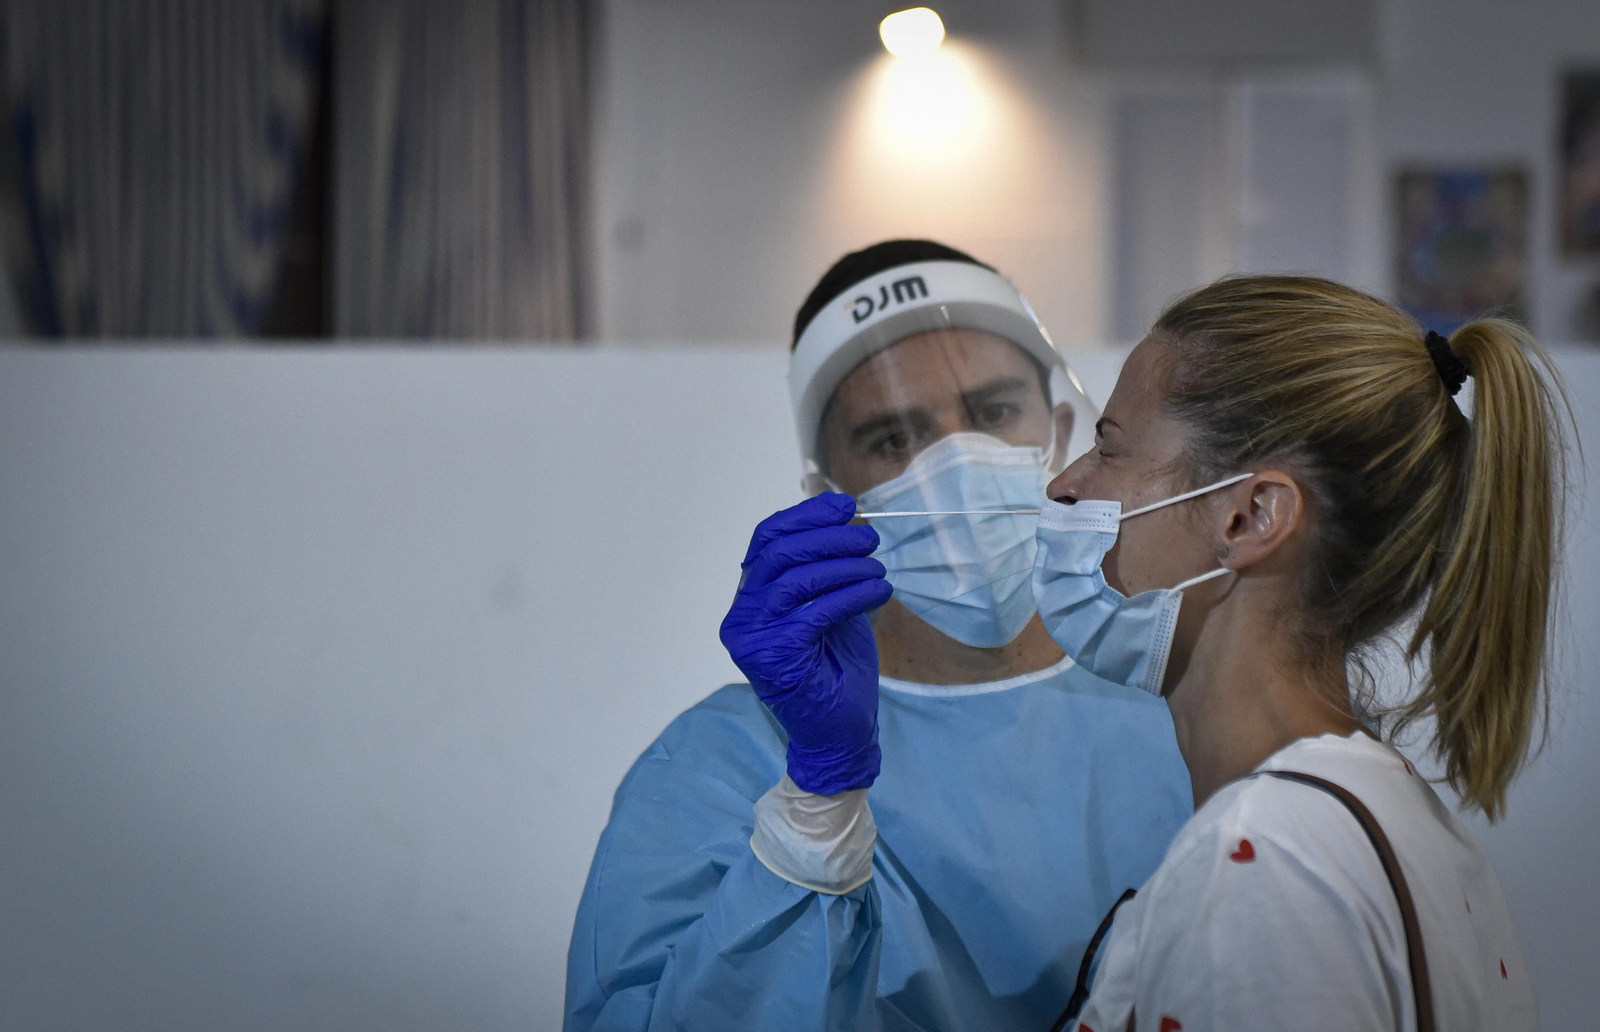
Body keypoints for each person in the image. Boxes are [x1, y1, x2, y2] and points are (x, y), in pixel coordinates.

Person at [564, 240, 1193, 1031]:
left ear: (1059, 434)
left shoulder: (1181, 706)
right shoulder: (716, 770)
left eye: (995, 412)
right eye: (894, 439)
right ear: (831, 494)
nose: (957, 463)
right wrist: (813, 809)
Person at [1033, 275, 1565, 1031]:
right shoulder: (1384, 812)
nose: (1063, 487)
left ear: (1252, 517)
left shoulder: (1265, 865)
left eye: (1107, 448)